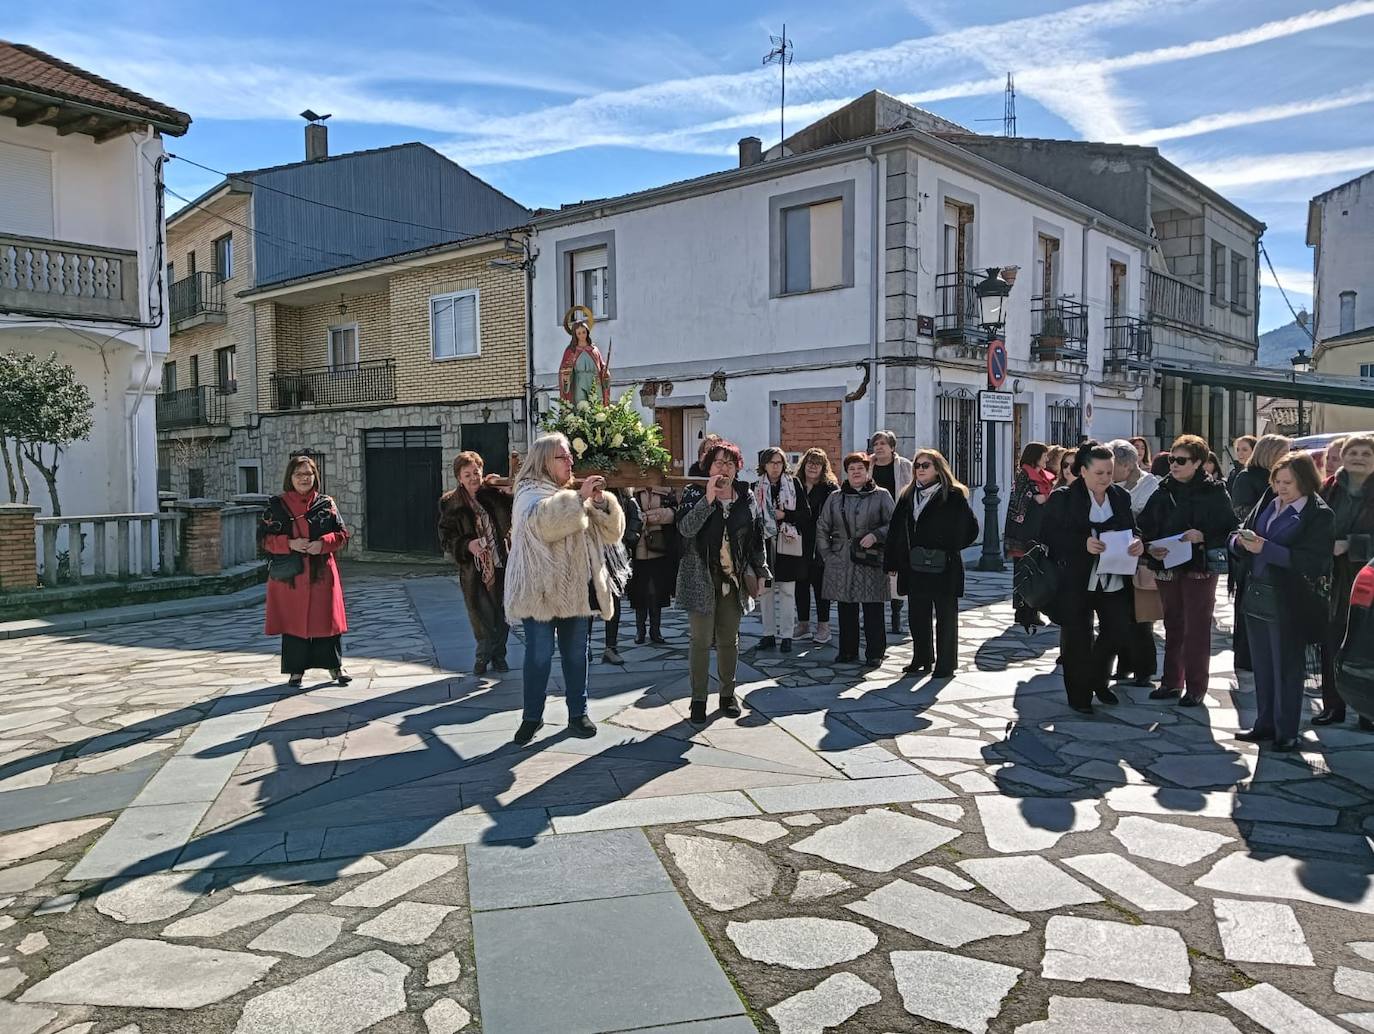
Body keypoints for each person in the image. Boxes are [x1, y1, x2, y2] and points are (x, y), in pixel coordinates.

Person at [504, 433, 627, 746]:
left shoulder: (573, 492)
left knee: (576, 654)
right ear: (545, 460)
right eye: (563, 456)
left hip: (574, 590)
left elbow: (613, 533)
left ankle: (578, 713)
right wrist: (578, 499)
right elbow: (544, 523)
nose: (570, 461)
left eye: (570, 455)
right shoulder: (527, 492)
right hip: (540, 592)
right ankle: (532, 716)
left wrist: (601, 503)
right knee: (539, 656)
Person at [1231, 451, 1335, 751]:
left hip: (1290, 599)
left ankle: (1286, 730)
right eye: (1277, 481)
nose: (1281, 488)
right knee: (1262, 665)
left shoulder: (1319, 513)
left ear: (1305, 481)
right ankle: (1264, 723)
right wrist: (1239, 543)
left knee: (1287, 668)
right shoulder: (1269, 501)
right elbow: (1239, 534)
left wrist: (1267, 548)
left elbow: (1314, 562)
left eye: (1288, 482)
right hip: (1256, 594)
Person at [1040, 443, 1145, 714]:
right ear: (1083, 471)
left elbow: (1132, 529)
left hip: (1113, 575)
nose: (1105, 478)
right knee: (1077, 637)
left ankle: (1098, 680)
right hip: (1076, 578)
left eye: (1109, 472)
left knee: (1118, 629)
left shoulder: (1120, 496)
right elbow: (1048, 535)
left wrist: (1137, 542)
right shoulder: (1063, 497)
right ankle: (1079, 695)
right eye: (1099, 473)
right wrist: (1082, 543)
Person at [1137, 435, 1239, 705]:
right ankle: (1171, 682)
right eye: (1171, 459)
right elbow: (1144, 526)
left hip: (1199, 566)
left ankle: (1196, 687)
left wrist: (1203, 535)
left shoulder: (1214, 491)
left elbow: (1230, 527)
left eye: (1181, 460)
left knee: (1197, 626)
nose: (1174, 465)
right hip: (1168, 564)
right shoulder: (1162, 490)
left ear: (1198, 463)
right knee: (1173, 622)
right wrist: (1149, 547)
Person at [677, 441, 769, 723]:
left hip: (734, 578)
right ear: (708, 466)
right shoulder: (693, 492)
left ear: (737, 467)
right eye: (719, 462)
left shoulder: (746, 495)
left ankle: (728, 695)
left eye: (730, 463)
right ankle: (698, 699)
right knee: (701, 640)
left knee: (729, 640)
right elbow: (686, 528)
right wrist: (708, 499)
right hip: (701, 577)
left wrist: (762, 571)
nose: (724, 468)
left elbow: (756, 535)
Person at [885, 448, 979, 677]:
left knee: (946, 616)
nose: (920, 470)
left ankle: (946, 664)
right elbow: (896, 530)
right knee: (917, 615)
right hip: (915, 565)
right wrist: (893, 561)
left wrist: (946, 546)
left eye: (925, 465)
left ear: (938, 469)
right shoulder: (908, 496)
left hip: (944, 565)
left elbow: (970, 529)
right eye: (917, 465)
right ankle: (922, 657)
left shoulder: (953, 495)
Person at [258, 455, 350, 689]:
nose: (304, 478)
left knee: (326, 622)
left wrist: (323, 543)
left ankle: (335, 667)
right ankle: (295, 671)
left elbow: (342, 534)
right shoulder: (276, 506)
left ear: (315, 477)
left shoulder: (326, 504)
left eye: (308, 474)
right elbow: (263, 540)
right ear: (290, 477)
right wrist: (289, 544)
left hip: (321, 574)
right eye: (299, 474)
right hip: (292, 576)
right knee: (293, 623)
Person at [1315, 434, 1374, 728]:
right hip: (1334, 579)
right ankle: (1332, 706)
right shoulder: (1329, 488)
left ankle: (1368, 711)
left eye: (1366, 453)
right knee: (1332, 642)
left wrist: (1352, 545)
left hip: (1369, 580)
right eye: (1353, 452)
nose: (1359, 457)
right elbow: (1313, 525)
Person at [437, 451, 513, 675]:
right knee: (481, 614)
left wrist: (507, 491)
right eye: (467, 474)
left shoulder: (493, 495)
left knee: (502, 613)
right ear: (459, 477)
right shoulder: (450, 503)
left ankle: (499, 656)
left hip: (500, 563)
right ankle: (483, 655)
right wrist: (467, 545)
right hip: (474, 569)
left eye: (476, 473)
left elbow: (513, 512)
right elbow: (446, 538)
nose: (473, 478)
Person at [817, 452, 896, 666]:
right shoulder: (835, 497)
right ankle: (848, 651)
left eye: (860, 468)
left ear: (868, 470)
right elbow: (823, 526)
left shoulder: (882, 496)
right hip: (842, 558)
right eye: (851, 469)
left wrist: (876, 535)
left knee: (873, 607)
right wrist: (828, 556)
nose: (856, 472)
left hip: (871, 558)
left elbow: (894, 524)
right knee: (845, 607)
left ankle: (875, 652)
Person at [1228, 433, 1292, 672]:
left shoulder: (1282, 477)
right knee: (1248, 604)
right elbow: (1242, 511)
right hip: (1251, 548)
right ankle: (1247, 657)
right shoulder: (1247, 477)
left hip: (1272, 549)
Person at [1107, 439, 1161, 688]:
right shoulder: (1110, 485)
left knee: (1140, 618)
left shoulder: (1150, 486)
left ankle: (1144, 669)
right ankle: (1124, 664)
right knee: (1118, 616)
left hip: (1139, 560)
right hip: (1115, 558)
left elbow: (1150, 523)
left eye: (1112, 465)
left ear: (1127, 466)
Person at [754, 447, 809, 652]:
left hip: (788, 546)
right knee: (766, 590)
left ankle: (786, 635)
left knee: (787, 591)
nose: (775, 467)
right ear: (764, 465)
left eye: (778, 463)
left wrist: (784, 516)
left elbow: (805, 514)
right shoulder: (757, 486)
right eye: (771, 463)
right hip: (765, 546)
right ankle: (768, 634)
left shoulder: (793, 484)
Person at [1005, 442, 1055, 631]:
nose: (1047, 459)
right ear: (1035, 456)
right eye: (1044, 455)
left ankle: (1032, 610)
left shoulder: (1042, 476)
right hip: (1023, 532)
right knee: (1024, 570)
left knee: (1036, 569)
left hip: (1038, 529)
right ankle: (1023, 612)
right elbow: (1037, 498)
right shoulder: (1025, 475)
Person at [869, 431, 914, 634]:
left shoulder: (905, 466)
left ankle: (896, 614)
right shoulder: (866, 464)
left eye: (883, 444)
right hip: (871, 523)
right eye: (876, 444)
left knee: (896, 570)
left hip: (897, 522)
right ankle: (868, 613)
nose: (879, 447)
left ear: (892, 447)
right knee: (871, 568)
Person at [795, 447, 839, 644]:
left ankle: (824, 626)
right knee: (800, 585)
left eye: (818, 463)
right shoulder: (795, 485)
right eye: (810, 462)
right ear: (804, 465)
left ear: (823, 467)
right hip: (797, 541)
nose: (813, 466)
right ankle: (803, 625)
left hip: (821, 542)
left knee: (821, 586)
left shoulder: (830, 488)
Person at [629, 484, 678, 644]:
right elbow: (629, 514)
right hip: (638, 550)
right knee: (639, 592)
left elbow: (675, 512)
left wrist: (649, 516)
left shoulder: (666, 491)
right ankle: (640, 630)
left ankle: (655, 630)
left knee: (656, 592)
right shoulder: (632, 491)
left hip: (660, 548)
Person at [599, 488, 643, 665]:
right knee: (586, 602)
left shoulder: (623, 495)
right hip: (589, 552)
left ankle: (611, 647)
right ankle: (584, 646)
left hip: (615, 555)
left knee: (613, 601)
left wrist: (627, 540)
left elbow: (636, 518)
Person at [1231, 433, 1291, 520]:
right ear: (1270, 454)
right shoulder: (1246, 477)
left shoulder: (1281, 476)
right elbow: (1242, 513)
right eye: (1284, 453)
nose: (1288, 457)